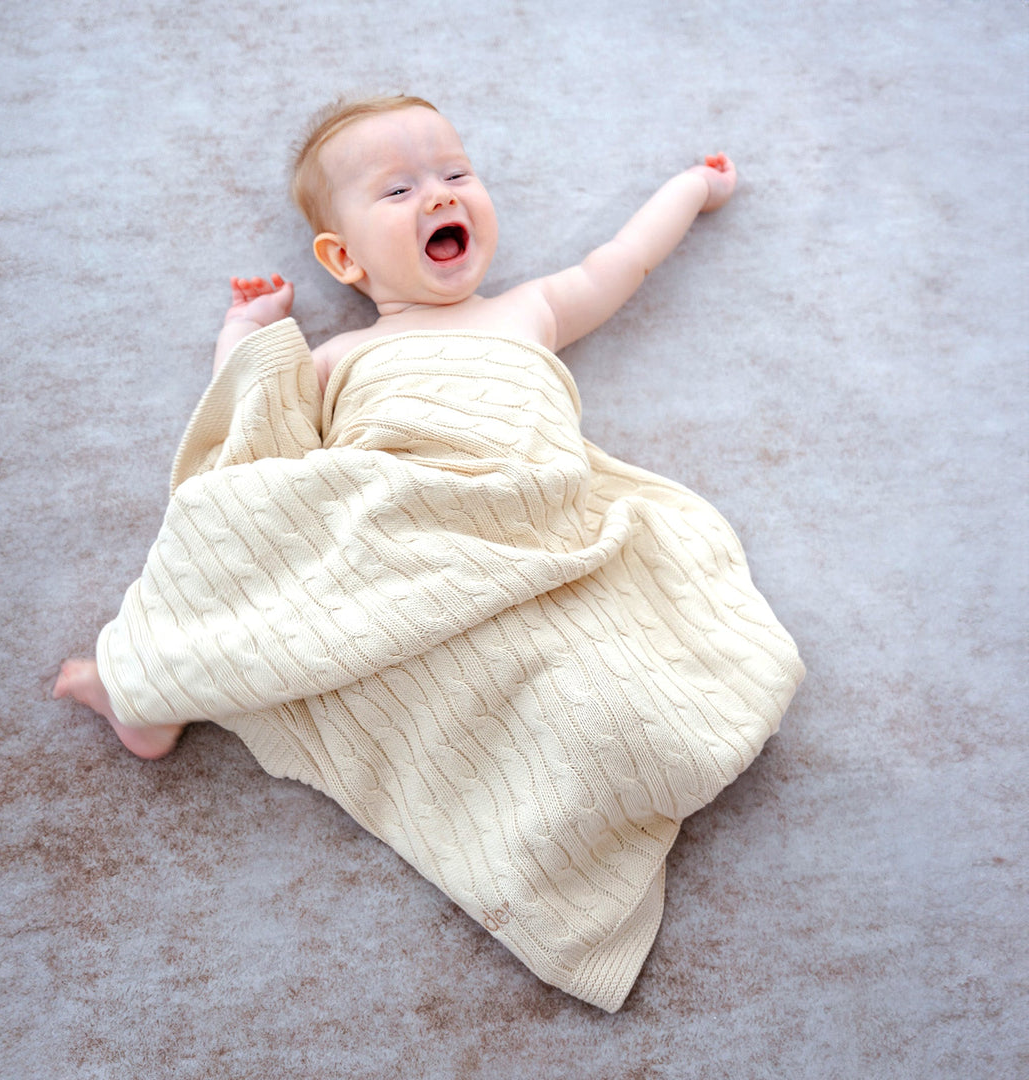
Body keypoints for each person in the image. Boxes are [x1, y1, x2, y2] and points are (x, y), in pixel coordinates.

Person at [55, 95, 801, 1011]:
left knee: (589, 681)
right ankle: (139, 684)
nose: (440, 195)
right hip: (395, 521)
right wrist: (243, 336)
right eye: (399, 189)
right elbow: (257, 426)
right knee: (233, 518)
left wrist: (691, 189)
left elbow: (626, 258)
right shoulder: (341, 353)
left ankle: (600, 772)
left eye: (454, 173)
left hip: (523, 530)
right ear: (345, 259)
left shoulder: (530, 308)